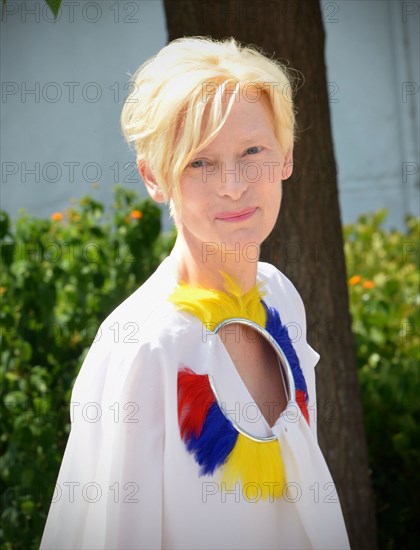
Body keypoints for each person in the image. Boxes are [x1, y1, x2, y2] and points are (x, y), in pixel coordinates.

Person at [40, 36, 350, 549]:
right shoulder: (144, 344)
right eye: (198, 163)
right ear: (153, 177)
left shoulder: (280, 298)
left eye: (253, 151)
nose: (233, 184)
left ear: (287, 156)